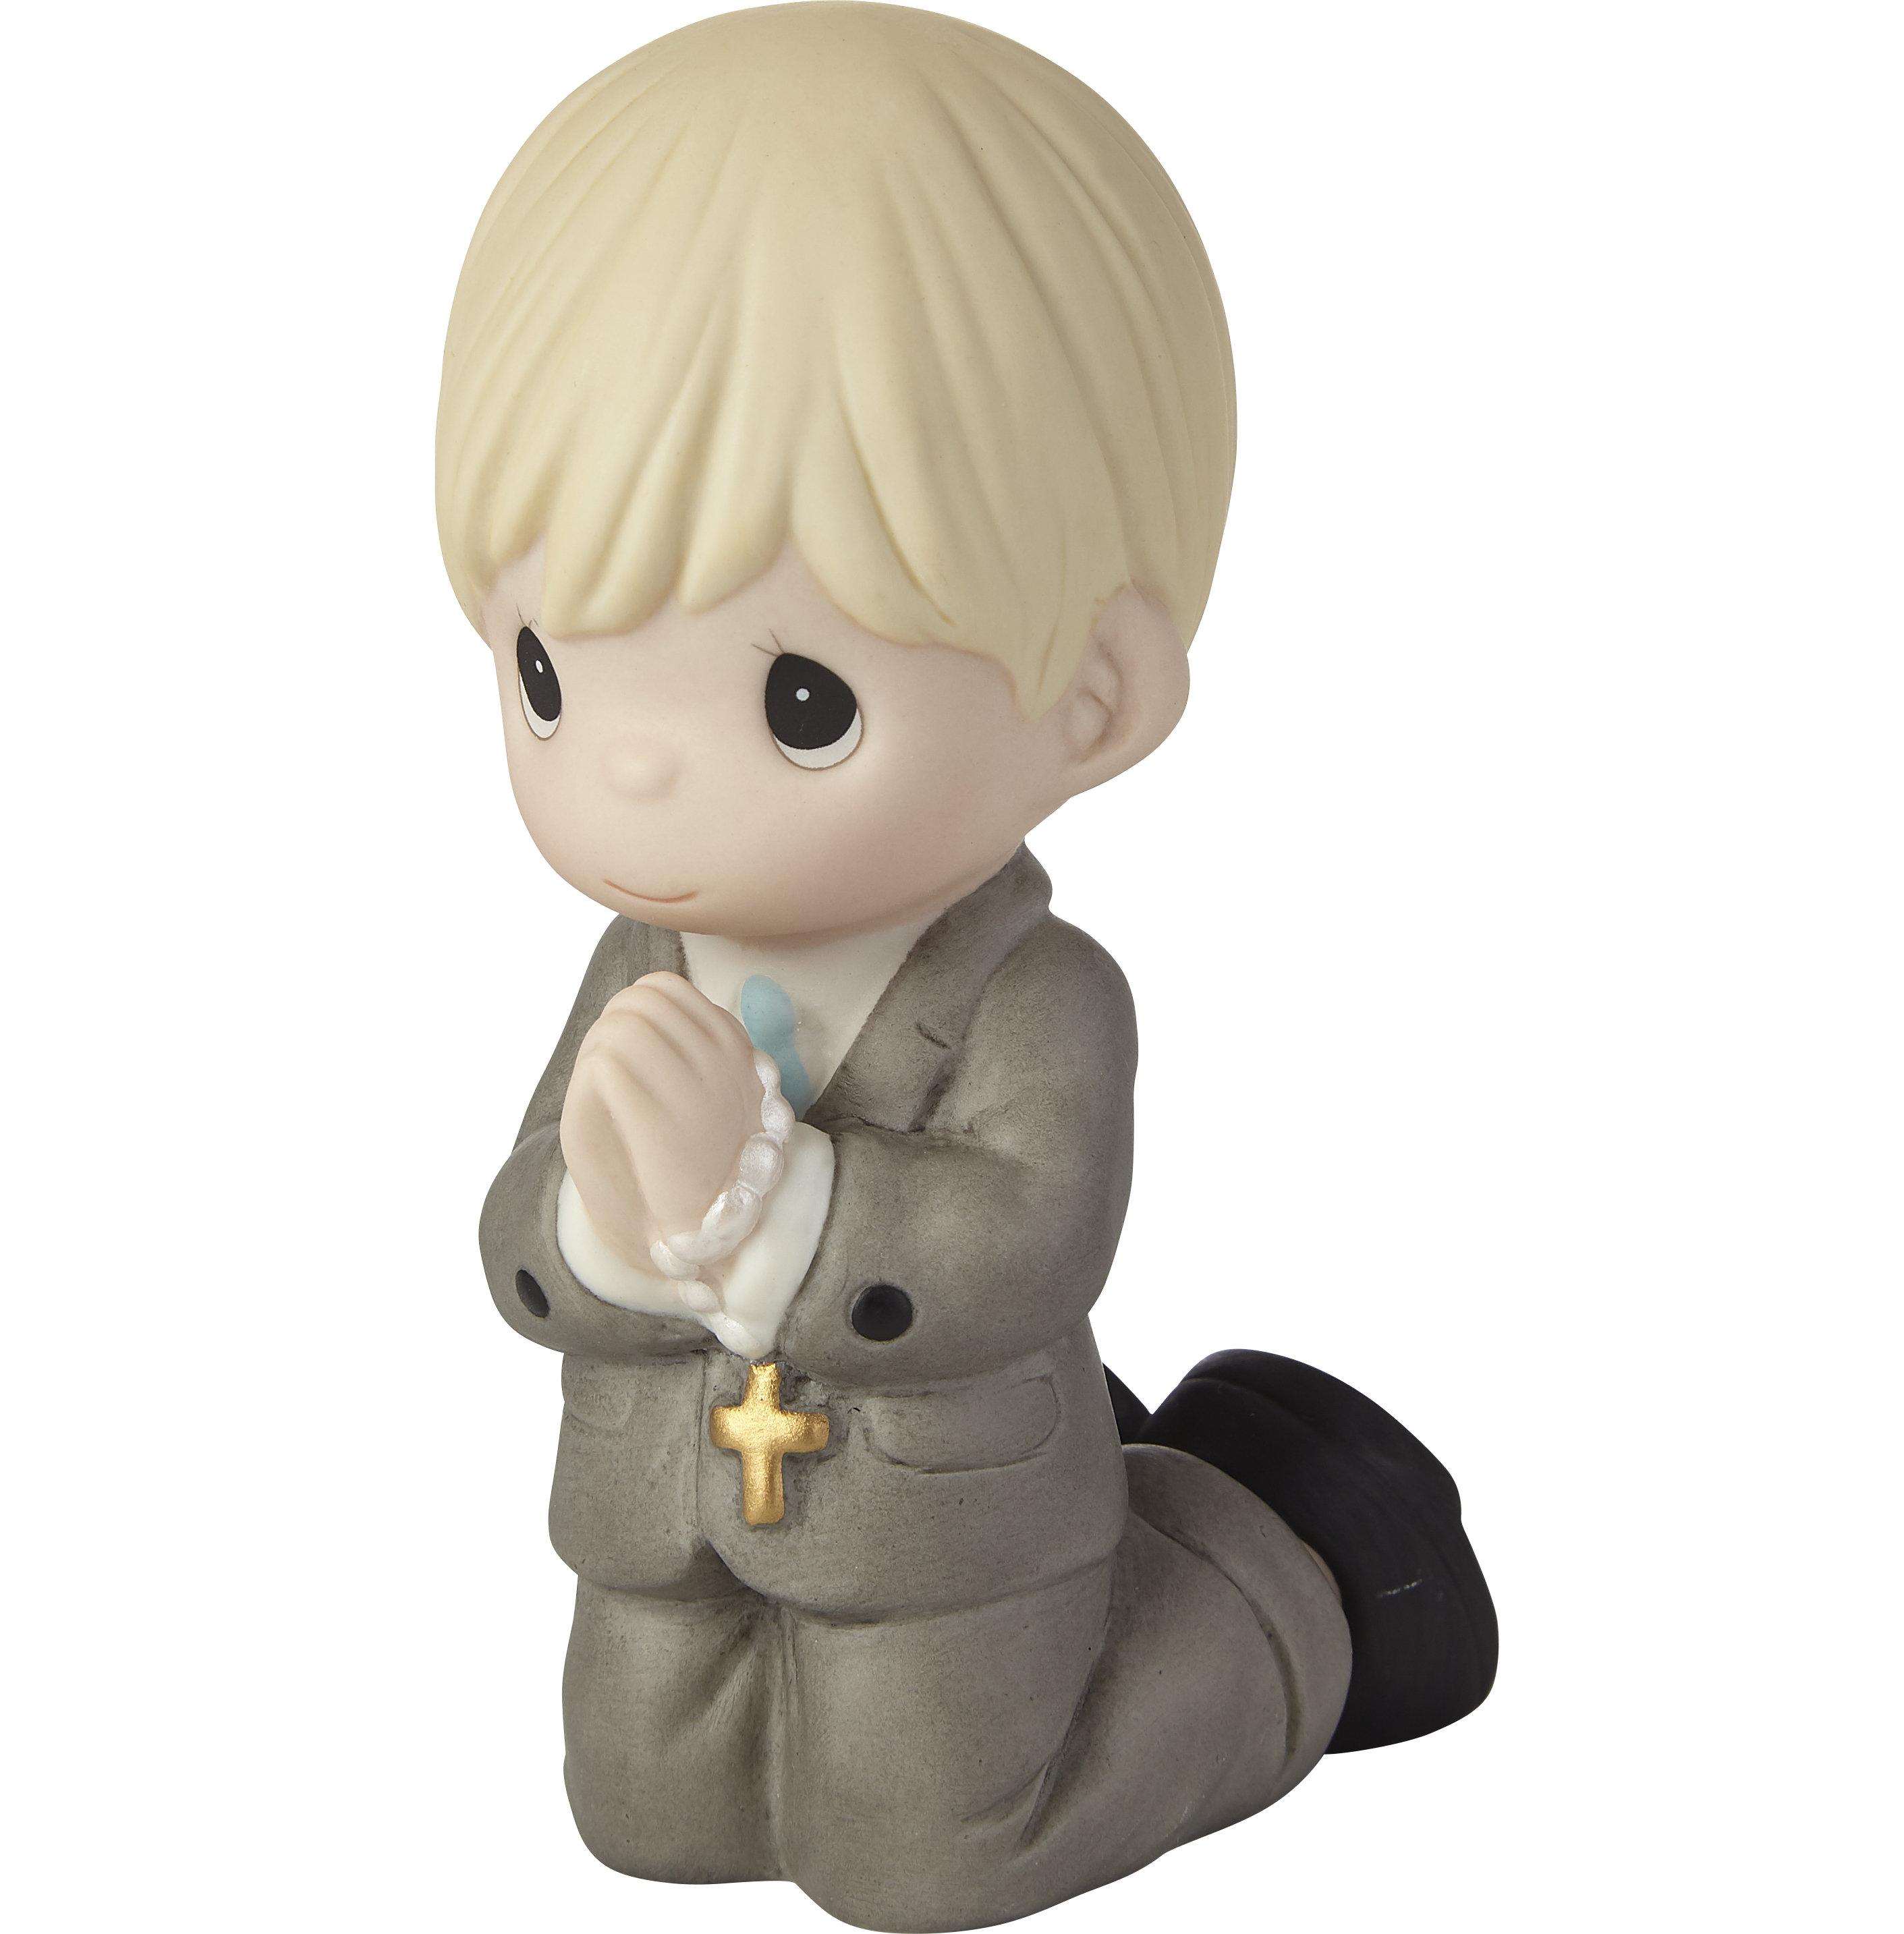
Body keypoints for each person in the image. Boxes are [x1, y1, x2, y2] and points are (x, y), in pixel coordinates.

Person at [437, 9, 1495, 1929]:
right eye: (546, 674)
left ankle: (1280, 1568)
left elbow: (1023, 1239)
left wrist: (765, 1206)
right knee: (642, 1819)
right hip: (662, 1510)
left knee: (921, 1855)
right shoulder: (635, 958)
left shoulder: (1036, 995)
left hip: (941, 1525)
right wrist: (600, 1221)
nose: (632, 771)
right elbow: (521, 1233)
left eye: (802, 701)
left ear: (1095, 695)